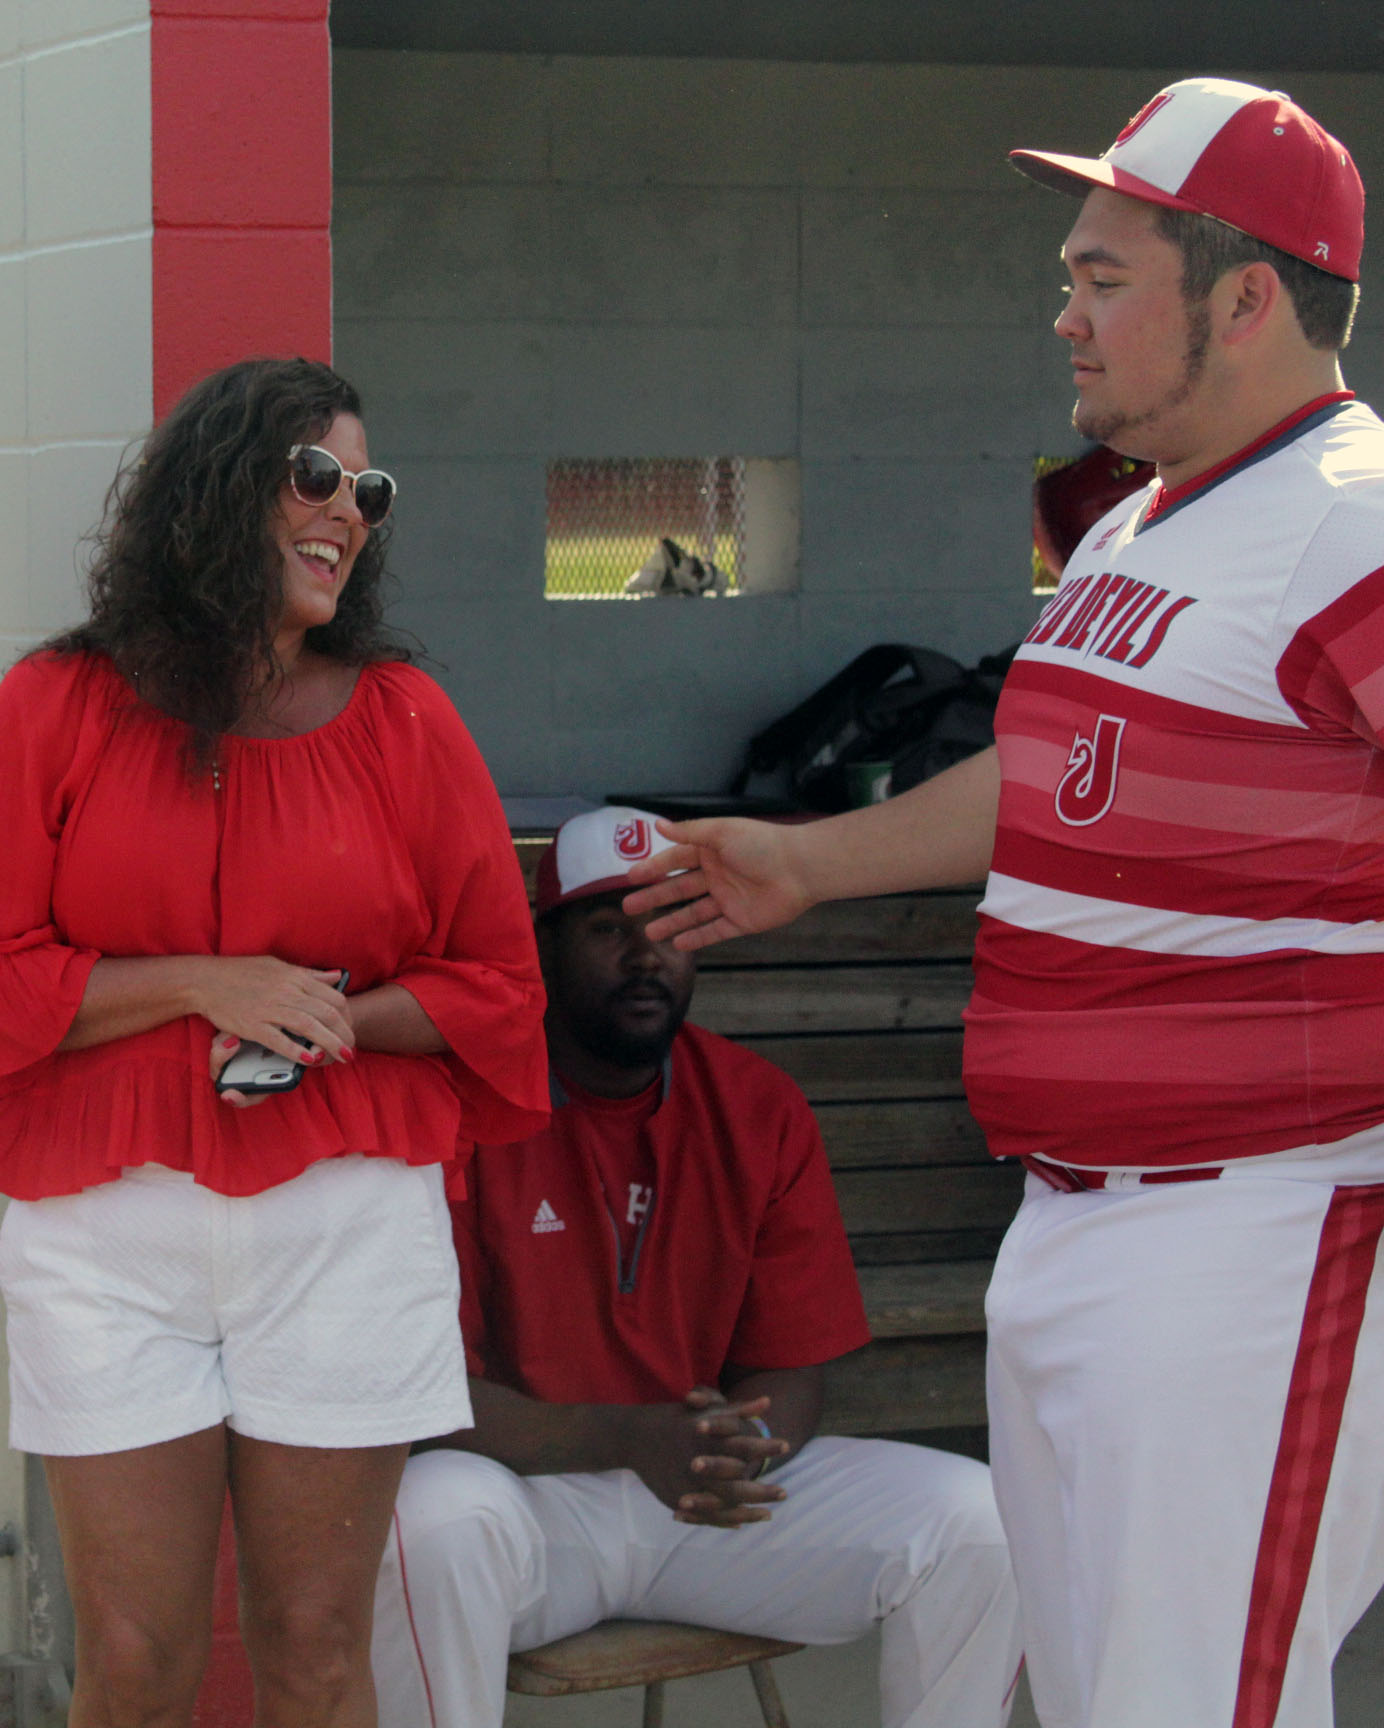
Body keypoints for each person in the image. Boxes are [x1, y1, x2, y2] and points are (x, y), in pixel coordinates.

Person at [625, 79, 1384, 1728]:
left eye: (1104, 280)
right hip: (1075, 1220)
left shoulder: (1352, 516)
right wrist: (806, 861)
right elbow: (1056, 770)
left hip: (1255, 1230)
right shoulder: (1135, 521)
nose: (1064, 317)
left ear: (1247, 299)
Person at [0, 357, 549, 1728]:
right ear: (217, 488)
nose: (348, 512)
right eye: (316, 476)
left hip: (343, 1224)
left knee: (315, 1650)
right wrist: (205, 984)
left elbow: (499, 990)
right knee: (135, 1662)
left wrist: (329, 1017)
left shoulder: (405, 719)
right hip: (106, 1230)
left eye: (369, 490)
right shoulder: (57, 703)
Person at [371, 807, 1021, 1728]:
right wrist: (633, 1440)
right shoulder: (462, 1103)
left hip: (702, 1503)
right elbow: (431, 1404)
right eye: (610, 928)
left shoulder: (756, 1106)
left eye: (673, 924)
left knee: (980, 1524)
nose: (647, 955)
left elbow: (791, 1365)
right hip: (529, 1505)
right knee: (426, 1524)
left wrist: (737, 1450)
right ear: (543, 947)